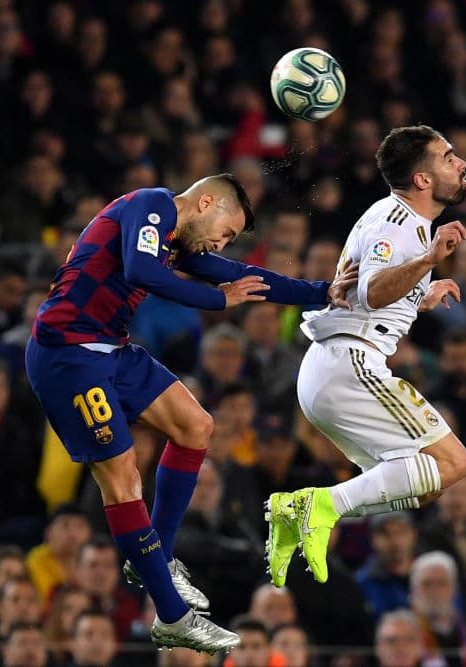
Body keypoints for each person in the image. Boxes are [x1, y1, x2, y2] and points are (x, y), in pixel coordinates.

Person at [25, 173, 357, 654]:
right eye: (225, 231)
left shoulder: (173, 241)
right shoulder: (152, 205)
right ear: (205, 203)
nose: (221, 244)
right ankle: (171, 616)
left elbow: (241, 276)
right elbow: (141, 270)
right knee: (122, 478)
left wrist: (322, 292)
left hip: (111, 349)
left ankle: (155, 559)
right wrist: (218, 300)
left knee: (196, 426)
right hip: (67, 355)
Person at [266, 125, 466, 588]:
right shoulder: (396, 222)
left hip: (334, 367)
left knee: (421, 485)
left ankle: (295, 512)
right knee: (453, 464)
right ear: (422, 179)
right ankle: (318, 505)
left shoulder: (402, 222)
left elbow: (376, 294)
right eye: (448, 157)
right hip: (349, 365)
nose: (461, 164)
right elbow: (373, 291)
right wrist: (428, 261)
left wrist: (419, 296)